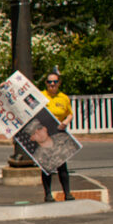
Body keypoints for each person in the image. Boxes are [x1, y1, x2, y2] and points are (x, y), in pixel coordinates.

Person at [40, 72, 75, 201]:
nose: (52, 84)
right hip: (44, 135)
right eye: (50, 82)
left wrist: (66, 122)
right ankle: (48, 194)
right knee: (47, 166)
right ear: (46, 83)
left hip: (58, 134)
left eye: (55, 82)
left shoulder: (64, 98)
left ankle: (67, 193)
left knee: (62, 165)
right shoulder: (41, 96)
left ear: (59, 83)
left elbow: (70, 113)